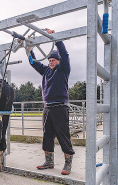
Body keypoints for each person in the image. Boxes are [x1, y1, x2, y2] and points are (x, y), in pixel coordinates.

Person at [27, 28, 75, 175]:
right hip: (48, 107)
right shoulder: (46, 71)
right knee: (47, 134)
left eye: (53, 60)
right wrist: (28, 50)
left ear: (58, 61)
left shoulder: (63, 69)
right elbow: (33, 62)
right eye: (49, 60)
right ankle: (49, 161)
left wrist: (56, 39)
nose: (51, 62)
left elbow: (65, 54)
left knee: (63, 134)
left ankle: (68, 162)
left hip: (60, 107)